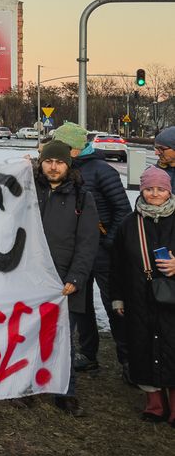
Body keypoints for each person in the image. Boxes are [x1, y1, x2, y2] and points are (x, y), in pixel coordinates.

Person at [53, 122, 132, 377]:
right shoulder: (65, 170)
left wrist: (107, 243)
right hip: (77, 252)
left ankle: (129, 361)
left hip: (104, 252)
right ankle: (87, 353)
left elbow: (122, 210)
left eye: (61, 146)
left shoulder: (102, 171)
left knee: (113, 305)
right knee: (81, 305)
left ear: (74, 149)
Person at [34, 139, 99, 417]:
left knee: (62, 340)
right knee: (29, 336)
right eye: (48, 161)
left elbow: (88, 242)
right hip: (31, 280)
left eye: (59, 162)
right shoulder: (29, 191)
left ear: (67, 165)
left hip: (64, 282)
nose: (53, 167)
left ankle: (66, 392)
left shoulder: (83, 198)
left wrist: (77, 276)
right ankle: (28, 386)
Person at [110, 166, 175, 423]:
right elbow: (116, 264)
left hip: (172, 301)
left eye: (160, 189)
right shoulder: (129, 223)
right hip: (138, 298)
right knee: (143, 347)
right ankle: (155, 404)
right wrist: (118, 297)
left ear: (169, 190)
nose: (154, 194)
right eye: (149, 189)